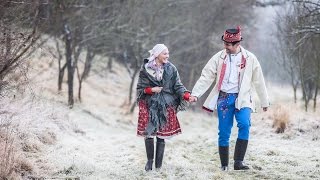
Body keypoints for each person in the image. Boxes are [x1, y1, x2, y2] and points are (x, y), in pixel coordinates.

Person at [189, 26, 269, 171]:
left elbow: (259, 80)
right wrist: (195, 94)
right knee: (224, 131)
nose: (225, 46)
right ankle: (224, 165)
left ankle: (238, 162)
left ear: (237, 44)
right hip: (224, 99)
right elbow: (206, 76)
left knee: (245, 125)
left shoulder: (250, 59)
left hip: (243, 98)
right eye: (224, 43)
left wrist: (264, 101)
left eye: (228, 44)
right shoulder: (218, 57)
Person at [136, 44, 190, 171]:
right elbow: (140, 88)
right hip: (149, 103)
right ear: (157, 54)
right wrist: (151, 90)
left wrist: (186, 95)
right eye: (164, 53)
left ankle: (158, 166)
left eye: (168, 53)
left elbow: (178, 85)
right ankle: (149, 162)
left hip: (166, 103)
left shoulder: (171, 69)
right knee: (149, 133)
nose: (167, 56)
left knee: (161, 135)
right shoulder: (146, 69)